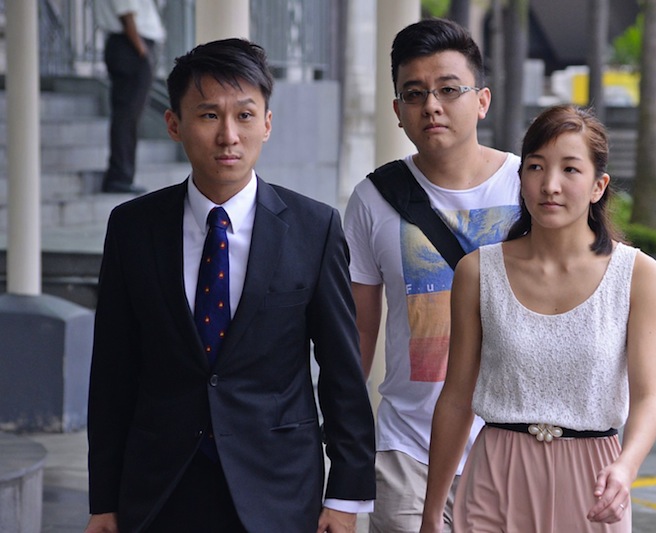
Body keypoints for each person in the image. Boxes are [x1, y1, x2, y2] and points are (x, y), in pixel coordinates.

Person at [85, 38, 375, 533]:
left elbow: (342, 372)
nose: (228, 136)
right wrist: (104, 500)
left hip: (278, 488)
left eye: (244, 115)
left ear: (267, 123)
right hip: (160, 488)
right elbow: (113, 371)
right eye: (208, 116)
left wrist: (345, 496)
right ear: (174, 124)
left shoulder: (314, 228)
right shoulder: (133, 227)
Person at [421, 105, 656, 532]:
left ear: (598, 186)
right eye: (536, 167)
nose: (550, 185)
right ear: (521, 178)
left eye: (570, 169)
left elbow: (648, 398)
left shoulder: (638, 275)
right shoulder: (477, 272)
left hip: (593, 481)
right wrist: (430, 515)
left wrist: (626, 467)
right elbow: (456, 398)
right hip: (496, 476)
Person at [344, 18, 521, 533]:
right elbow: (358, 333)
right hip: (407, 449)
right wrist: (344, 445)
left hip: (510, 447)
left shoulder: (528, 185)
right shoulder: (373, 199)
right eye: (414, 93)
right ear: (397, 110)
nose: (432, 106)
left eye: (449, 89)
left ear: (482, 100)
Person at [95, 0, 165, 194]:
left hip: (131, 46)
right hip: (130, 46)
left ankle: (122, 175)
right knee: (127, 115)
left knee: (128, 115)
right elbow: (127, 15)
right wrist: (143, 52)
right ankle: (120, 177)